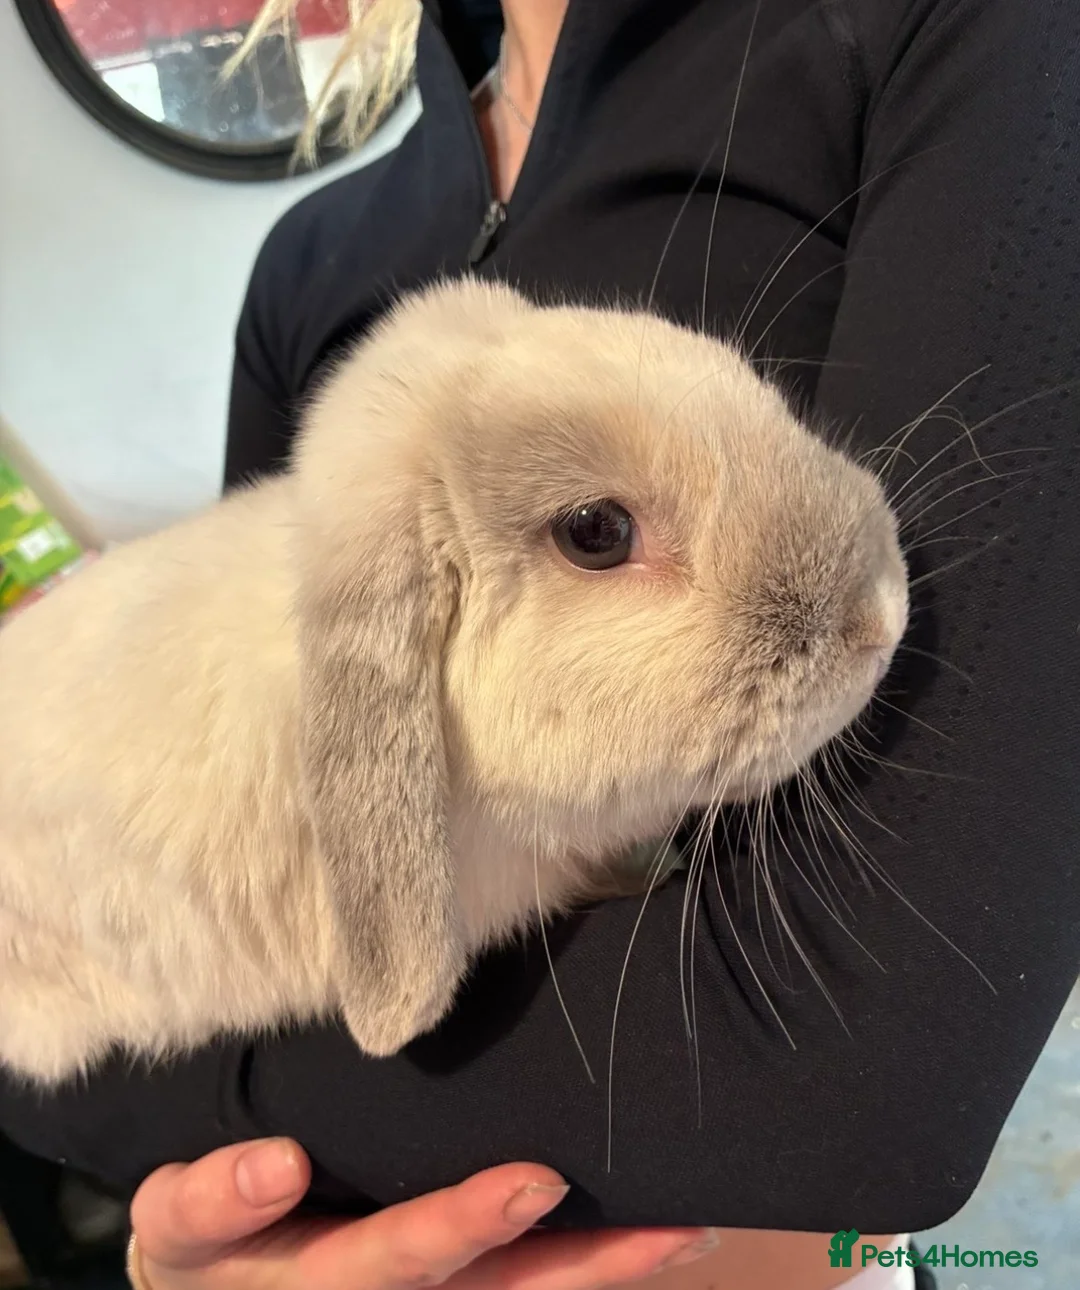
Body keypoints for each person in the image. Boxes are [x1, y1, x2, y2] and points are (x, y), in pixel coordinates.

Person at [2, 0, 1077, 1287]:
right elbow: (299, 858)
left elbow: (863, 1078)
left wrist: (253, 1120)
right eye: (597, 531)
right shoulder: (311, 265)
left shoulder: (948, 36)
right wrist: (240, 1223)